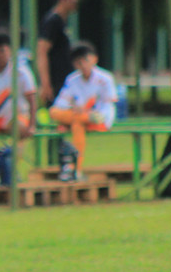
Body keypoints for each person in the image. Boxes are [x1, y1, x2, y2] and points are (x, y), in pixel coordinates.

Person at [48, 41, 118, 181]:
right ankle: (75, 170)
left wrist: (86, 112)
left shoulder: (105, 78)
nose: (83, 65)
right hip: (78, 117)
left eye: (86, 60)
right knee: (57, 114)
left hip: (98, 118)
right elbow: (59, 105)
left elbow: (108, 105)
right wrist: (73, 109)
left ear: (94, 59)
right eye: (78, 62)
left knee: (76, 120)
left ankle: (74, 168)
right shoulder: (72, 79)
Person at [36, 0, 78, 105]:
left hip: (65, 77)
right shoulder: (52, 21)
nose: (76, 0)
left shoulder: (62, 21)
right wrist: (45, 83)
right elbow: (42, 51)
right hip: (56, 79)